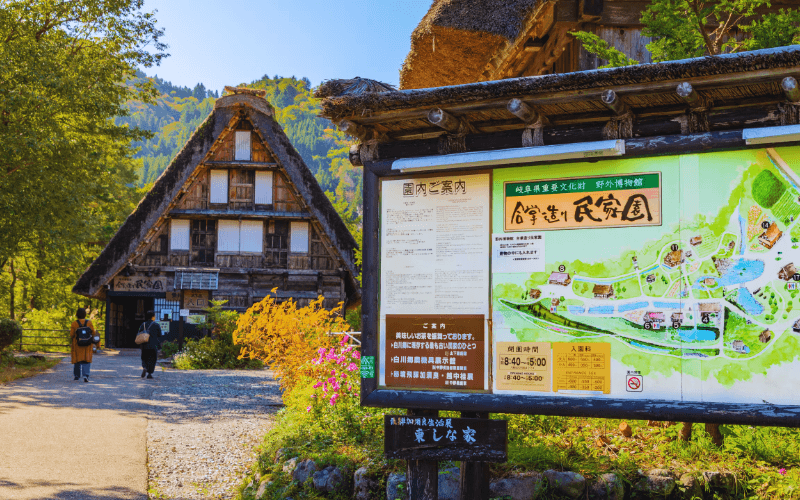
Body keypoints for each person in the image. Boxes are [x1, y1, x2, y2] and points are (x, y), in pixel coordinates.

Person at [70, 308, 98, 382]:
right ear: (85, 314)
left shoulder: (74, 323)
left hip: (77, 345)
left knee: (77, 360)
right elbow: (93, 333)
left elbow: (71, 334)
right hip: (87, 345)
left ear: (77, 314)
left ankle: (77, 376)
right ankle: (85, 375)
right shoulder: (89, 322)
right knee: (86, 360)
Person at [139, 310, 162, 379]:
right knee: (153, 359)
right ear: (153, 317)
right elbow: (159, 335)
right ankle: (149, 373)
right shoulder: (156, 325)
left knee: (144, 358)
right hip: (153, 345)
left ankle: (145, 367)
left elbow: (139, 333)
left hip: (144, 345)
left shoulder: (143, 324)